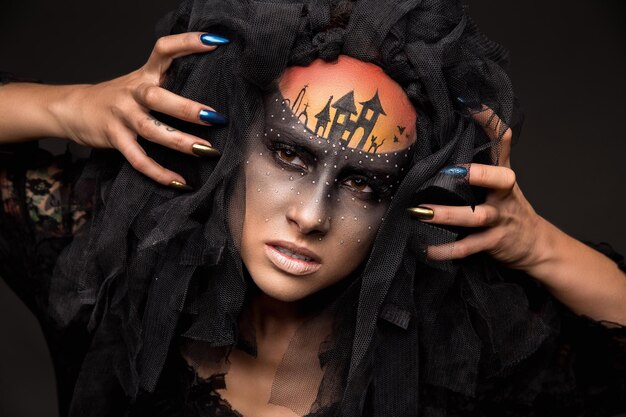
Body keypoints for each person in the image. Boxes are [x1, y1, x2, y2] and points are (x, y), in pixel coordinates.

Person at [1, 0, 625, 416]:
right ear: (233, 147)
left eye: (367, 186)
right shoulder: (106, 269)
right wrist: (67, 106)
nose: (311, 215)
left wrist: (539, 245)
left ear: (404, 202)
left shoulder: (449, 359)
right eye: (290, 157)